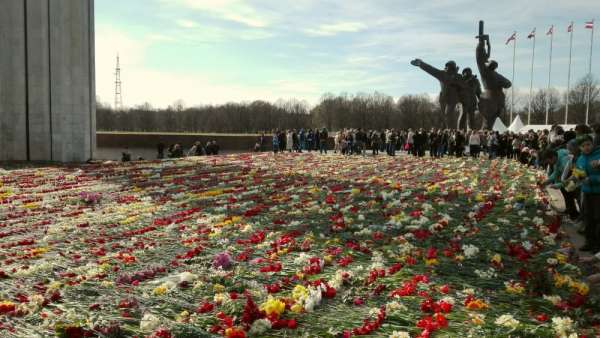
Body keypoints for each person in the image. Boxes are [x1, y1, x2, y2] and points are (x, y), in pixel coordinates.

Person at [574, 135, 600, 252]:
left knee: (598, 218)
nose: (586, 147)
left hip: (598, 193)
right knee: (588, 218)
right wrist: (577, 177)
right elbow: (578, 173)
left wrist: (592, 179)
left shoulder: (598, 155)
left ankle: (598, 245)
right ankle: (589, 242)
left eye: (588, 144)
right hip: (586, 192)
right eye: (583, 146)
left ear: (592, 143)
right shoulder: (580, 158)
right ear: (579, 147)